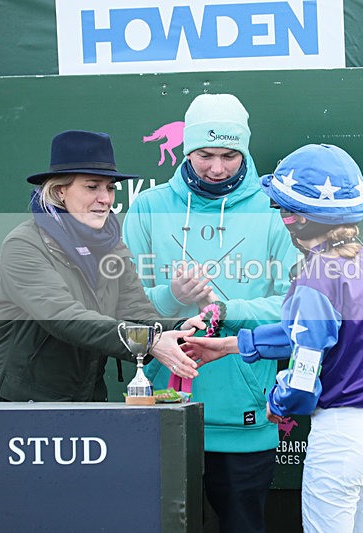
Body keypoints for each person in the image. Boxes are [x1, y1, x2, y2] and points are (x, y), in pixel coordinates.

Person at [184, 144, 363, 533]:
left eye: (281, 209)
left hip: (343, 437)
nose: (280, 217)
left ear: (297, 219)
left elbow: (304, 375)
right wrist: (229, 345)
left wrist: (279, 401)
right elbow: (315, 334)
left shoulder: (316, 274)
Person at [123, 94, 296, 533]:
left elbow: (294, 305)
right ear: (186, 150)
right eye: (205, 155)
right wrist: (171, 296)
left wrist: (226, 309)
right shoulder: (148, 207)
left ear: (245, 152)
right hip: (163, 411)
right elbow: (121, 306)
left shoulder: (274, 209)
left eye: (229, 155)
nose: (217, 168)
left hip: (245, 416)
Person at [0, 130, 201, 402]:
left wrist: (180, 329)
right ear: (60, 191)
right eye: (92, 186)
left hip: (89, 402)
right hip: (21, 406)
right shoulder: (24, 244)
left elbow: (136, 313)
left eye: (109, 188)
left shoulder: (112, 245)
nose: (105, 198)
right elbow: (65, 317)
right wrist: (152, 342)